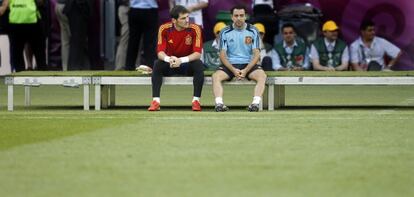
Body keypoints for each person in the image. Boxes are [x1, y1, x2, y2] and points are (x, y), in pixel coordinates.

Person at [148, 5, 204, 111]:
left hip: (186, 65)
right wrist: (169, 59)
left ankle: (196, 101)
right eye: (183, 18)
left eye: (187, 17)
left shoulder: (195, 29)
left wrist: (180, 60)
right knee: (157, 64)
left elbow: (197, 54)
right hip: (170, 64)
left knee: (198, 64)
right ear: (174, 20)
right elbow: (160, 52)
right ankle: (156, 101)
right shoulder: (164, 29)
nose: (187, 20)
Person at [212, 5, 267, 112]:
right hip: (230, 64)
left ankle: (255, 104)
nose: (239, 18)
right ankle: (219, 104)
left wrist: (246, 70)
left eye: (241, 15)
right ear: (231, 17)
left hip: (249, 64)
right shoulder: (225, 32)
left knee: (262, 75)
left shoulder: (253, 31)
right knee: (215, 76)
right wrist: (233, 70)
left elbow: (256, 54)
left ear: (245, 16)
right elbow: (222, 55)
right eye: (236, 15)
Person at [0, 0, 47, 72]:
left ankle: (19, 76)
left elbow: (3, 8)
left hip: (15, 22)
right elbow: (41, 2)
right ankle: (43, 77)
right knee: (40, 55)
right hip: (33, 22)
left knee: (17, 55)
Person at [124, 0, 159, 70]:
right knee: (150, 42)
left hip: (134, 9)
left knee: (133, 41)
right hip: (150, 10)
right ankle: (150, 66)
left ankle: (129, 66)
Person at [64, 0, 92, 70]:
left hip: (76, 8)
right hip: (78, 9)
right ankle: (74, 69)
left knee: (77, 41)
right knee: (77, 41)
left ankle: (75, 68)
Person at [55, 0, 70, 71]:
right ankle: (74, 69)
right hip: (68, 7)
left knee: (65, 42)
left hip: (59, 5)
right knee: (75, 40)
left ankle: (65, 69)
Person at [114, 0, 129, 70]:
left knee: (136, 40)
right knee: (125, 39)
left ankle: (135, 65)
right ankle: (119, 66)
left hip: (133, 8)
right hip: (126, 8)